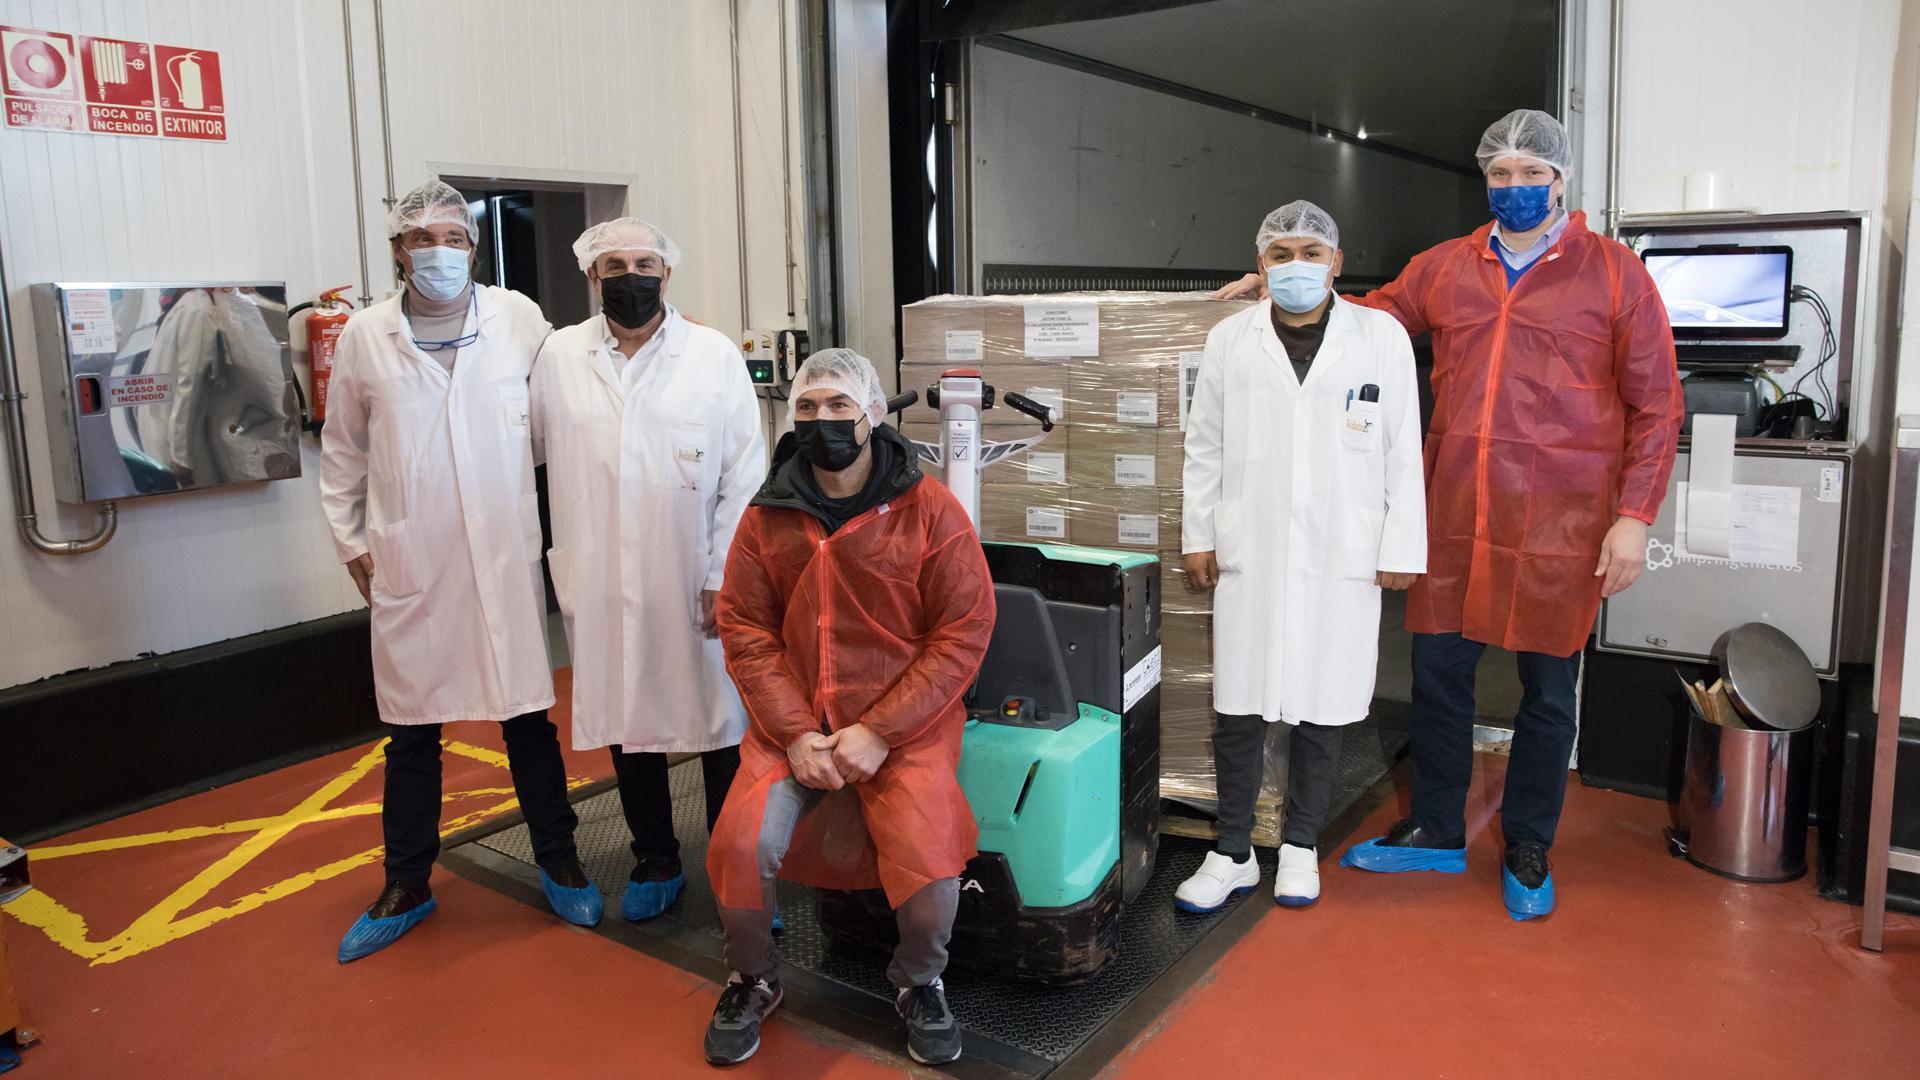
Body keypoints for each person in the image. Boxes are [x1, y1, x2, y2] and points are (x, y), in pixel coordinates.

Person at [1220, 109, 1683, 920]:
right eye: (1499, 175)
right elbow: (1364, 315)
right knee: (1439, 677)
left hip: (1565, 523)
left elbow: (1657, 405)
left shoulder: (1615, 275)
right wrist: (1283, 283)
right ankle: (1437, 824)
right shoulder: (1446, 268)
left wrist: (1634, 516)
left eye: (1529, 175)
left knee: (1547, 689)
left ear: (1561, 180)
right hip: (1456, 507)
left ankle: (1530, 840)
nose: (1513, 188)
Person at [320, 179, 602, 963]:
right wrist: (351, 542)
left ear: (474, 249)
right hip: (413, 557)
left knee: (525, 719)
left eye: (454, 238)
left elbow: (552, 421)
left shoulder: (517, 318)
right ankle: (406, 881)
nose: (438, 252)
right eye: (422, 240)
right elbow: (343, 449)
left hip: (502, 552)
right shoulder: (364, 337)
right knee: (412, 733)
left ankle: (559, 860)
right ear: (397, 252)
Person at [701, 349, 995, 1068]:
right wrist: (799, 731)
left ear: (871, 414)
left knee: (930, 864)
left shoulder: (930, 511)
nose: (822, 420)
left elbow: (962, 632)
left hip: (905, 728)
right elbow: (745, 627)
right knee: (740, 845)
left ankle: (918, 983)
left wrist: (880, 730)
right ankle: (752, 976)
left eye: (838, 406)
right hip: (791, 727)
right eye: (807, 407)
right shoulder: (767, 517)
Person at [1178, 200, 1426, 913]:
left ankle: (1298, 847)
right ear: (1260, 267)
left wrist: (1401, 541)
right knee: (1241, 704)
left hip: (1341, 545)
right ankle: (1231, 852)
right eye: (1280, 254)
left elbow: (1402, 447)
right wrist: (1199, 533)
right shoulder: (1230, 340)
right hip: (1251, 539)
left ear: (1337, 263)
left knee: (1325, 699)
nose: (1296, 267)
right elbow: (1205, 445)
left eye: (1310, 253)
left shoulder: (1380, 336)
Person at [530, 218, 765, 921]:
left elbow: (743, 475)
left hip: (694, 570)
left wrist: (725, 573)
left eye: (643, 262)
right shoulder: (559, 356)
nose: (630, 274)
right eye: (613, 263)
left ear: (668, 274)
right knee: (627, 719)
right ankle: (656, 859)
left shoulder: (712, 354)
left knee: (720, 723)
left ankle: (739, 869)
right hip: (603, 572)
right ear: (591, 276)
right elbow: (527, 452)